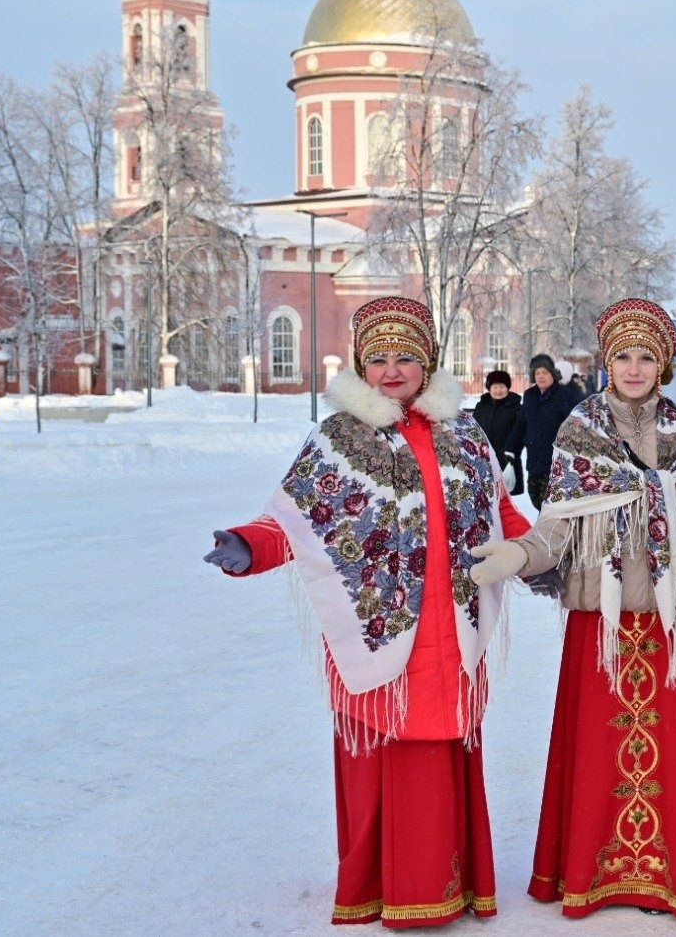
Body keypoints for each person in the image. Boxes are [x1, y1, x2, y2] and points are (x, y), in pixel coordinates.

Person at [201, 296, 532, 928]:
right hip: (381, 628)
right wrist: (249, 545)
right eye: (377, 358)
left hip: (451, 623)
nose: (391, 369)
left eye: (406, 356)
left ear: (428, 361)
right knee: (391, 752)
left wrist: (539, 555)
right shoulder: (338, 439)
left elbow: (503, 515)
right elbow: (296, 521)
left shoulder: (465, 435)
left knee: (441, 752)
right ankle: (385, 886)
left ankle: (447, 883)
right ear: (360, 364)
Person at [467, 298, 676, 919]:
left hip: (674, 618)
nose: (632, 367)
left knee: (674, 753)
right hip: (604, 619)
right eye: (622, 355)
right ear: (606, 361)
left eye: (645, 355)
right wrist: (519, 556)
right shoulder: (580, 429)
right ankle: (595, 873)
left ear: (663, 363)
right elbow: (558, 528)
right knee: (601, 747)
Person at [505, 353, 584, 510]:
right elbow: (521, 425)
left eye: (545, 372)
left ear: (552, 374)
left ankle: (553, 533)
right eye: (537, 373)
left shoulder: (565, 396)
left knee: (554, 507)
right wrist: (511, 448)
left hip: (558, 463)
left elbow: (578, 426)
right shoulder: (529, 396)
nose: (541, 376)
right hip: (534, 462)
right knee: (536, 499)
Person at [473, 369, 524, 496]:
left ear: (508, 388)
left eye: (502, 386)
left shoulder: (516, 407)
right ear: (489, 388)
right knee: (486, 498)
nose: (498, 390)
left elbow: (521, 433)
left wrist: (511, 450)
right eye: (495, 386)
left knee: (506, 501)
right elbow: (473, 430)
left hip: (507, 461)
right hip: (484, 461)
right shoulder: (481, 406)